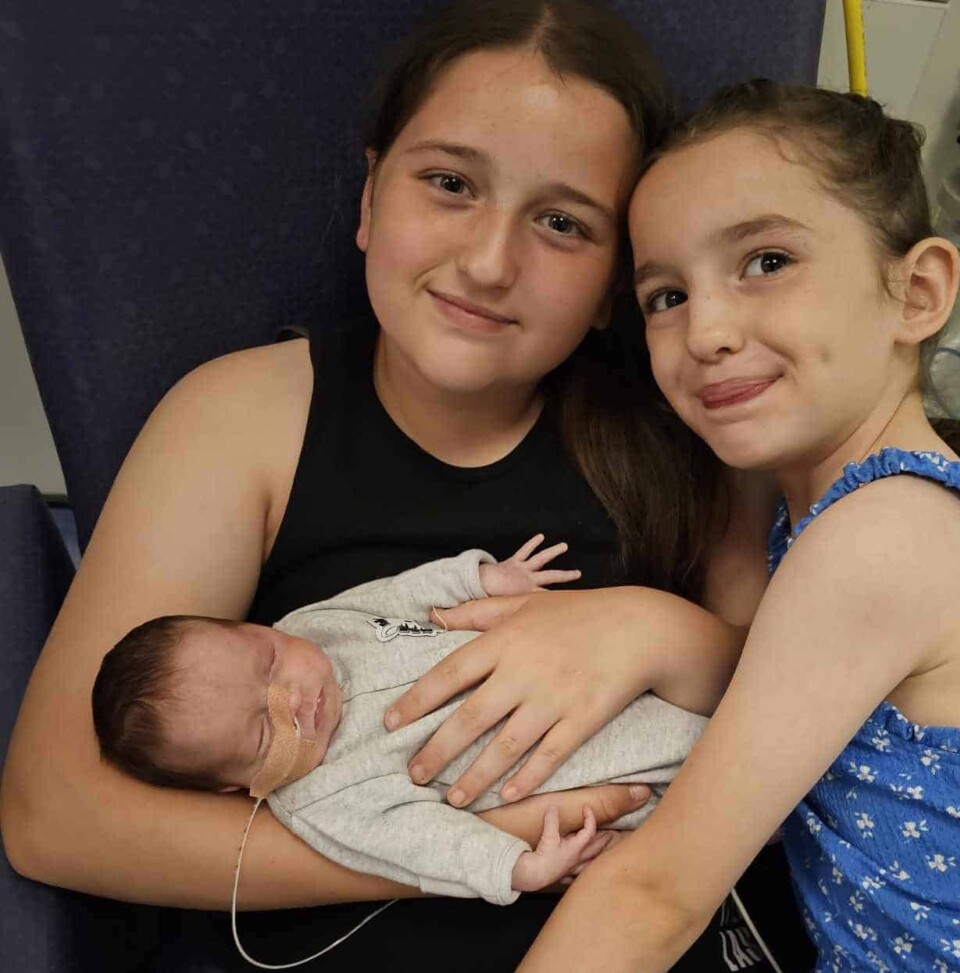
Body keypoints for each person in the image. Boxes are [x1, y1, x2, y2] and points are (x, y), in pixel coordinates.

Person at [1, 4, 807, 970]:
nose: (488, 260)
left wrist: (652, 631)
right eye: (450, 183)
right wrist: (457, 844)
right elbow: (58, 814)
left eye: (561, 222)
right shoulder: (243, 418)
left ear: (614, 285)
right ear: (370, 196)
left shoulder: (693, 427)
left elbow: (801, 723)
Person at [516, 81, 960, 973]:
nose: (704, 329)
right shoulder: (817, 507)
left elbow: (653, 897)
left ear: (918, 291)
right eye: (665, 294)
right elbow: (744, 653)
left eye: (767, 262)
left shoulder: (885, 534)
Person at [91, 540, 705, 909]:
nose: (295, 699)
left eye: (268, 660)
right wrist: (520, 870)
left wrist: (482, 580)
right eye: (262, 732)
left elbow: (395, 596)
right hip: (614, 775)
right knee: (722, 784)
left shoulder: (313, 626)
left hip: (612, 674)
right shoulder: (324, 799)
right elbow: (425, 849)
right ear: (236, 787)